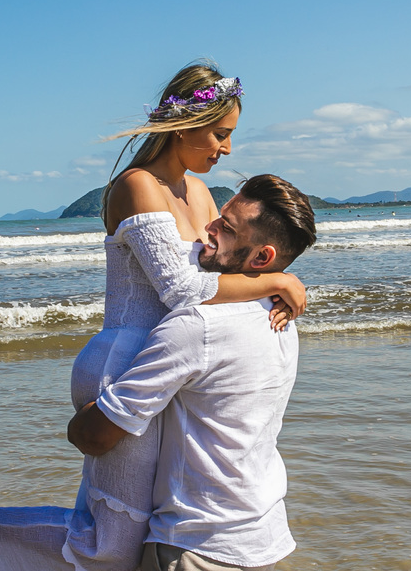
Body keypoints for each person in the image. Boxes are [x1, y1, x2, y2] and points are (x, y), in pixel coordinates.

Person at [0, 64, 307, 571]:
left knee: (132, 536)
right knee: (109, 547)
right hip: (123, 360)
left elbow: (224, 268)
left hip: (171, 364)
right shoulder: (138, 186)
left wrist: (275, 278)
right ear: (184, 126)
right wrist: (276, 281)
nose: (226, 149)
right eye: (220, 134)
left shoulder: (200, 193)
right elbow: (182, 290)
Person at [68, 174, 316, 570]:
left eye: (226, 228)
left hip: (196, 546)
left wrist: (82, 416)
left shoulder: (197, 326)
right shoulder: (281, 318)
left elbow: (95, 437)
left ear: (262, 258)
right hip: (262, 536)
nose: (207, 228)